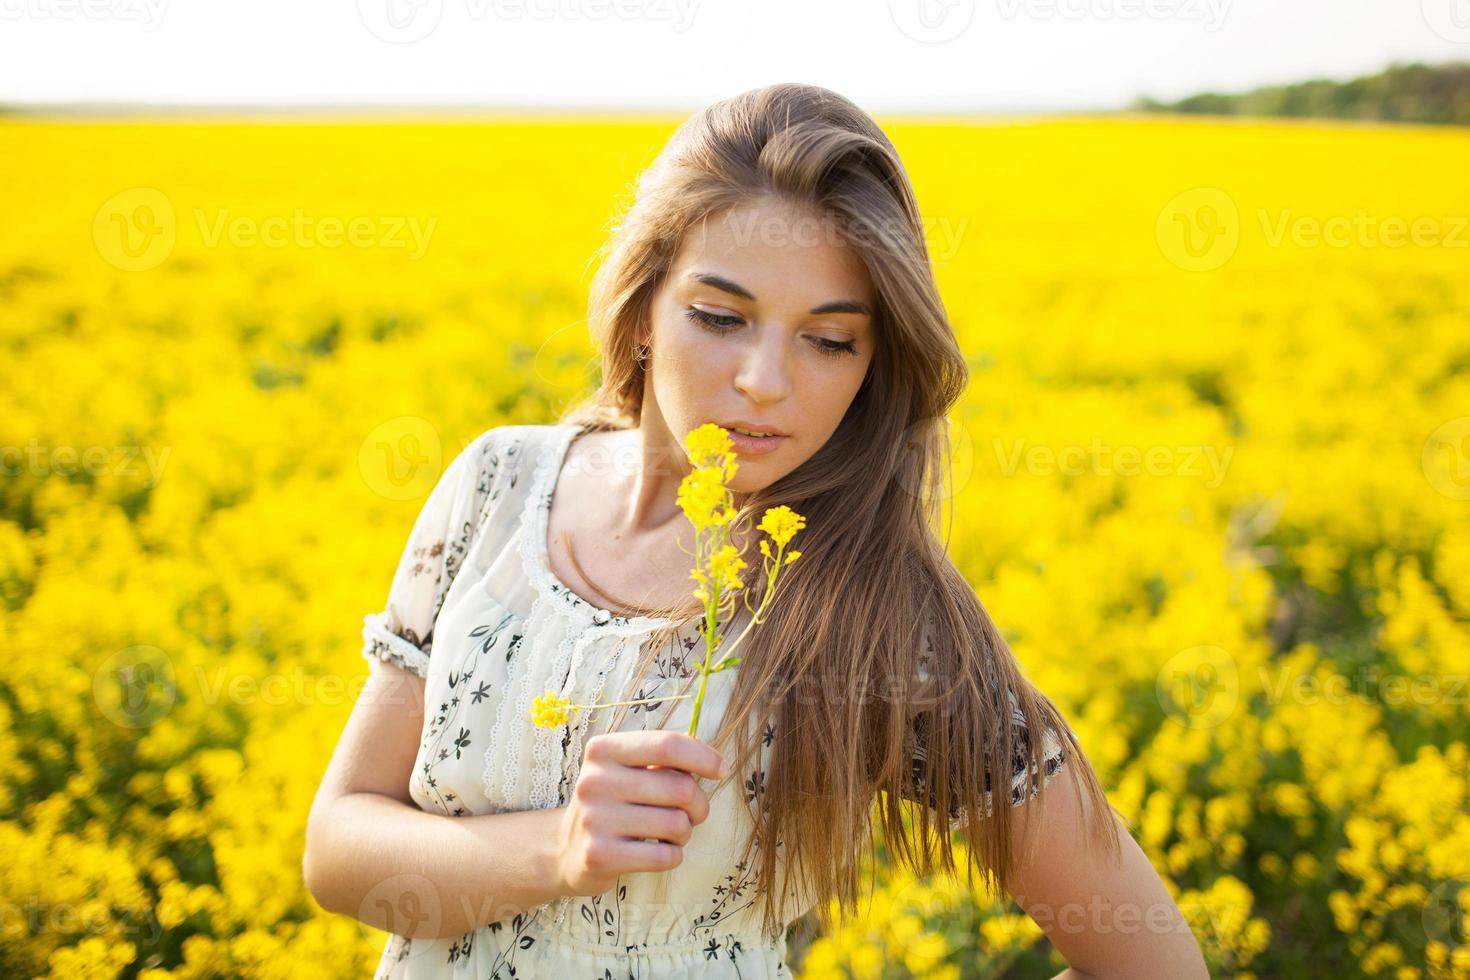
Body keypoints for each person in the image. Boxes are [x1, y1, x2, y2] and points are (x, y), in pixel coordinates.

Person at [303, 82, 1210, 979]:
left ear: (874, 363)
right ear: (645, 304)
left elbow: (1155, 964)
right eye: (720, 318)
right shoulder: (498, 482)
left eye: (829, 340)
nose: (765, 381)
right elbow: (338, 850)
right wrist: (558, 850)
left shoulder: (881, 606)